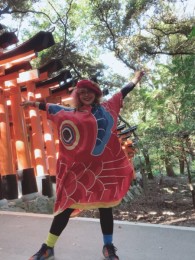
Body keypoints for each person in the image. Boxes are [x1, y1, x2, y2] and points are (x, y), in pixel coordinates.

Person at [22, 71, 144, 260]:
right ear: (77, 95)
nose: (86, 95)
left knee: (105, 207)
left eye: (90, 91)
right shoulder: (70, 113)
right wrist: (34, 104)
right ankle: (48, 247)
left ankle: (108, 247)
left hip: (102, 171)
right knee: (65, 208)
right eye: (82, 92)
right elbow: (52, 108)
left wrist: (135, 79)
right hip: (78, 173)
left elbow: (122, 93)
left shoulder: (107, 108)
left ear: (96, 94)